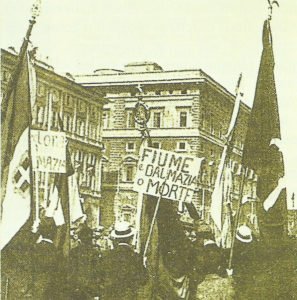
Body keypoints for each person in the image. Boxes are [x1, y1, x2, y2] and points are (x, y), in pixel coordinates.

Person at [98, 221, 148, 299]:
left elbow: (98, 278)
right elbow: (143, 279)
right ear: (130, 239)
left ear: (116, 239)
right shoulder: (135, 257)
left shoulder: (106, 255)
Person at [69, 223, 100, 299]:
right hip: (90, 291)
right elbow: (97, 273)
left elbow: (71, 272)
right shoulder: (95, 253)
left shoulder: (73, 252)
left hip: (76, 290)